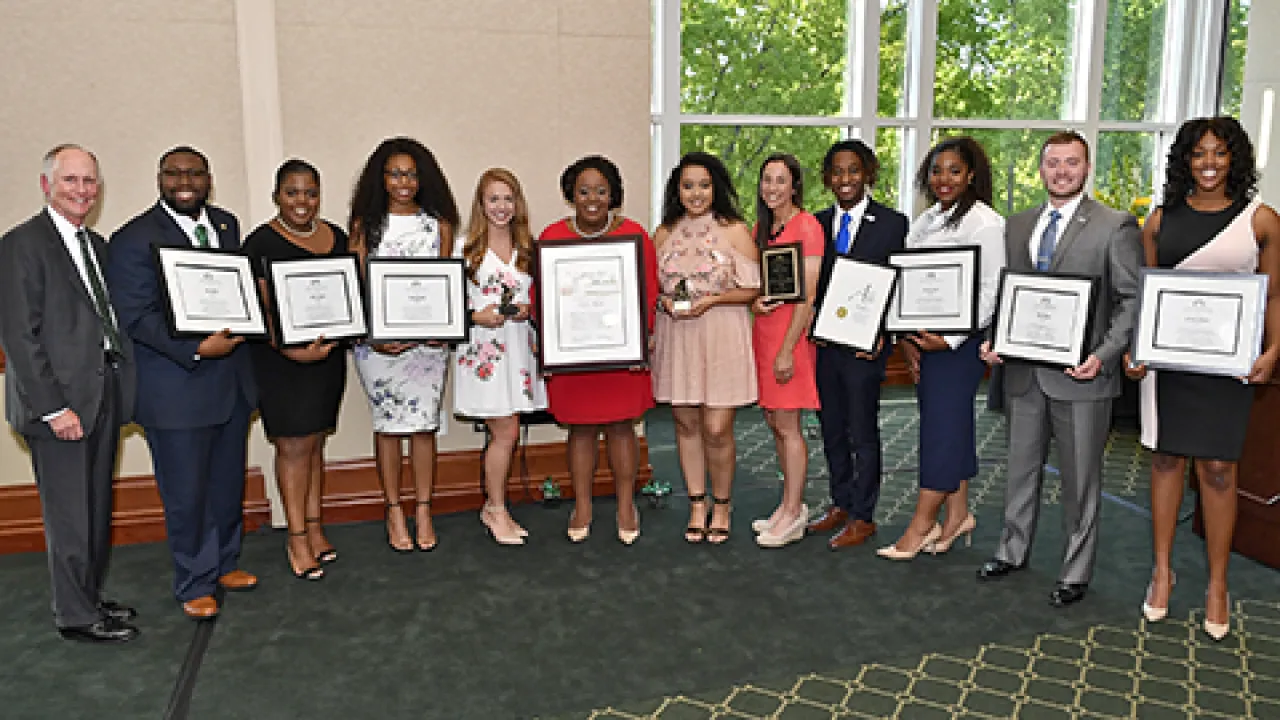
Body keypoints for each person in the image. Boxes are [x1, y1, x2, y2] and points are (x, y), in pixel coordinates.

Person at [1124, 117, 1280, 640]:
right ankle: (1161, 572)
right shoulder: (1160, 221)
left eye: (1218, 153)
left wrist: (1274, 350)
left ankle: (1217, 584)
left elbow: (1274, 295)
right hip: (1169, 364)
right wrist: (1138, 350)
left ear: (1234, 159)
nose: (1208, 163)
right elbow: (1149, 294)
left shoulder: (1261, 221)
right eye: (1198, 154)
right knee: (1167, 459)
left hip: (1226, 367)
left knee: (1218, 468)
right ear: (1184, 160)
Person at [978, 131, 1142, 608]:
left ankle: (1075, 571)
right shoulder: (1018, 224)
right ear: (1041, 168)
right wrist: (995, 340)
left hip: (1083, 375)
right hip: (1025, 373)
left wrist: (1106, 354)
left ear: (1086, 168)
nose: (1062, 171)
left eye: (1072, 163)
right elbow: (1008, 294)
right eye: (1053, 163)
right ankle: (1012, 549)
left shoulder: (1116, 225)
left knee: (1081, 480)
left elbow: (1130, 300)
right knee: (1019, 471)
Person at [107, 146, 259, 620]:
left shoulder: (228, 225)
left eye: (194, 173)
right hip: (175, 386)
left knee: (226, 481)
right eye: (174, 174)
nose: (185, 181)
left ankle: (224, 563)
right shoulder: (133, 238)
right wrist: (194, 348)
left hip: (230, 380)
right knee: (186, 491)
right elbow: (135, 315)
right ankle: (194, 581)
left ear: (209, 178)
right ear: (160, 178)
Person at [0, 145, 139, 643]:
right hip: (59, 406)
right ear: (46, 185)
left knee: (95, 507)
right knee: (69, 515)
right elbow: (19, 336)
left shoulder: (96, 246)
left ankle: (90, 597)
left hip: (102, 394)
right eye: (71, 180)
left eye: (90, 182)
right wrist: (55, 407)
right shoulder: (22, 244)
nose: (82, 190)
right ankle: (75, 616)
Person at [880, 137, 1005, 560]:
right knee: (950, 426)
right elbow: (906, 280)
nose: (944, 179)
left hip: (959, 346)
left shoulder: (985, 224)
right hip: (925, 341)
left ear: (971, 174)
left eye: (954, 170)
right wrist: (909, 340)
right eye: (937, 171)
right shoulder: (927, 220)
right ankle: (958, 515)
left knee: (940, 432)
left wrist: (949, 339)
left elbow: (990, 291)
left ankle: (921, 524)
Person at [348, 137, 459, 553]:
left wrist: (441, 328)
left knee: (424, 425)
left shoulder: (439, 224)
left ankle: (424, 508)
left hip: (428, 343)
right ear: (381, 178)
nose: (403, 182)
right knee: (389, 427)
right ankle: (394, 509)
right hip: (379, 345)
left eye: (411, 174)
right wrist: (374, 335)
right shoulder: (365, 225)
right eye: (394, 173)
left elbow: (444, 284)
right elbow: (357, 287)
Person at [539, 155, 657, 545]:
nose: (593, 198)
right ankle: (583, 505)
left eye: (601, 191)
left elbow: (649, 290)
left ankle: (626, 505)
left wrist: (642, 340)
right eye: (584, 190)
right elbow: (542, 297)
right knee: (581, 428)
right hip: (574, 354)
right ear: (571, 194)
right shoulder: (553, 237)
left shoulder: (636, 235)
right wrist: (550, 346)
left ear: (614, 195)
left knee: (623, 426)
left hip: (621, 353)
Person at [241, 159, 347, 580]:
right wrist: (290, 350)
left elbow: (347, 299)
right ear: (276, 197)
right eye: (292, 192)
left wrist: (338, 335)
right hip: (280, 363)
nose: (302, 201)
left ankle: (316, 528)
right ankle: (296, 537)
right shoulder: (259, 244)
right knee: (293, 446)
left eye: (310, 192)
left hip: (327, 360)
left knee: (316, 442)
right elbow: (257, 310)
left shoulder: (336, 237)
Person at [652, 151, 760, 544]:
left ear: (716, 188)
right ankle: (697, 503)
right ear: (676, 190)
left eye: (704, 185)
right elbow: (652, 289)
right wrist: (661, 302)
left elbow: (753, 289)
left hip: (721, 333)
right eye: (687, 186)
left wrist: (712, 301)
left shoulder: (734, 230)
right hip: (677, 334)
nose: (696, 193)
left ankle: (723, 503)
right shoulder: (663, 233)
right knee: (685, 423)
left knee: (717, 428)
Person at [808, 139, 909, 549]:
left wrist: (885, 332)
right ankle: (841, 503)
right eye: (837, 171)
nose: (845, 178)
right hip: (826, 346)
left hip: (866, 347)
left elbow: (902, 285)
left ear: (868, 173)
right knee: (831, 427)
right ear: (828, 179)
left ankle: (864, 515)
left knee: (862, 432)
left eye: (853, 170)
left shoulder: (894, 224)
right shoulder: (815, 224)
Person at [455, 168, 548, 546]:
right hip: (484, 354)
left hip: (519, 350)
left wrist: (530, 308)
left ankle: (496, 506)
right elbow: (446, 306)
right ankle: (495, 508)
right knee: (505, 432)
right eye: (493, 199)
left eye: (508, 198)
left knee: (507, 431)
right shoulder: (463, 249)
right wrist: (476, 315)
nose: (501, 207)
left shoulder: (529, 248)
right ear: (481, 203)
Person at [748, 153, 822, 548]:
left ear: (794, 185)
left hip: (791, 338)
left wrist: (787, 350)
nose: (772, 187)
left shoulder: (806, 227)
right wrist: (756, 302)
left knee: (790, 426)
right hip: (765, 332)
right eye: (766, 180)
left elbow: (807, 297)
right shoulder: (763, 227)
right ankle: (786, 503)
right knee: (775, 423)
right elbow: (763, 285)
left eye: (780, 180)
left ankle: (794, 511)